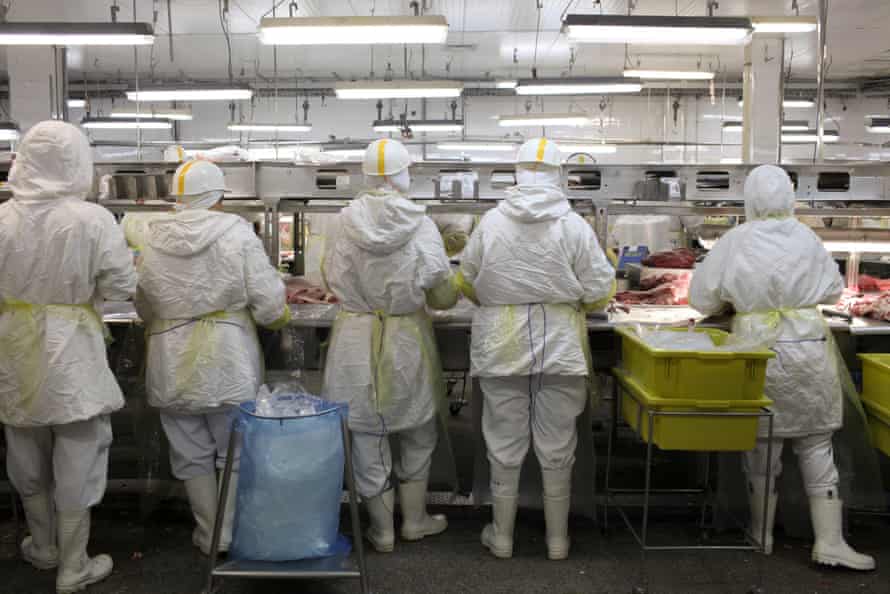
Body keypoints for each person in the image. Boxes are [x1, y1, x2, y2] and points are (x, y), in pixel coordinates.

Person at [689, 164, 874, 570]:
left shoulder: (735, 240)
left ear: (749, 200)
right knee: (815, 443)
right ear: (790, 198)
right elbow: (831, 288)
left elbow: (700, 299)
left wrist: (735, 301)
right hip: (807, 344)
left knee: (763, 442)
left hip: (758, 347)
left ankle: (761, 535)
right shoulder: (806, 238)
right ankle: (829, 541)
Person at [457, 138, 615, 560]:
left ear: (517, 171)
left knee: (503, 445)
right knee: (558, 446)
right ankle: (557, 541)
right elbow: (601, 289)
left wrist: (499, 296)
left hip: (500, 345)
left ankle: (503, 537)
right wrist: (570, 299)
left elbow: (466, 279)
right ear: (558, 174)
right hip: (559, 345)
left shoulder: (491, 222)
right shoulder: (573, 225)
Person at [0, 120, 137, 592]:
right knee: (79, 449)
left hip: (13, 346)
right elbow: (122, 286)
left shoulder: (1, 219)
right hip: (72, 346)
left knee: (24, 447)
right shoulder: (91, 219)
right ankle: (73, 565)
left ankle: (43, 548)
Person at [135, 159, 289, 555]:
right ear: (219, 196)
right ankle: (230, 532)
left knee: (189, 455)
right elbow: (270, 305)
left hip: (170, 358)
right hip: (227, 359)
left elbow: (144, 305)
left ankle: (209, 534)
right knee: (232, 453)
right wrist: (278, 314)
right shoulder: (236, 233)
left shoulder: (152, 237)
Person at [322, 138, 458, 553]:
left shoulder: (342, 221)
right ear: (404, 175)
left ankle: (381, 531)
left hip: (355, 338)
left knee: (366, 434)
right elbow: (440, 294)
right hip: (404, 338)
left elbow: (329, 278)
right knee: (417, 430)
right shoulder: (421, 223)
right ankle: (414, 521)